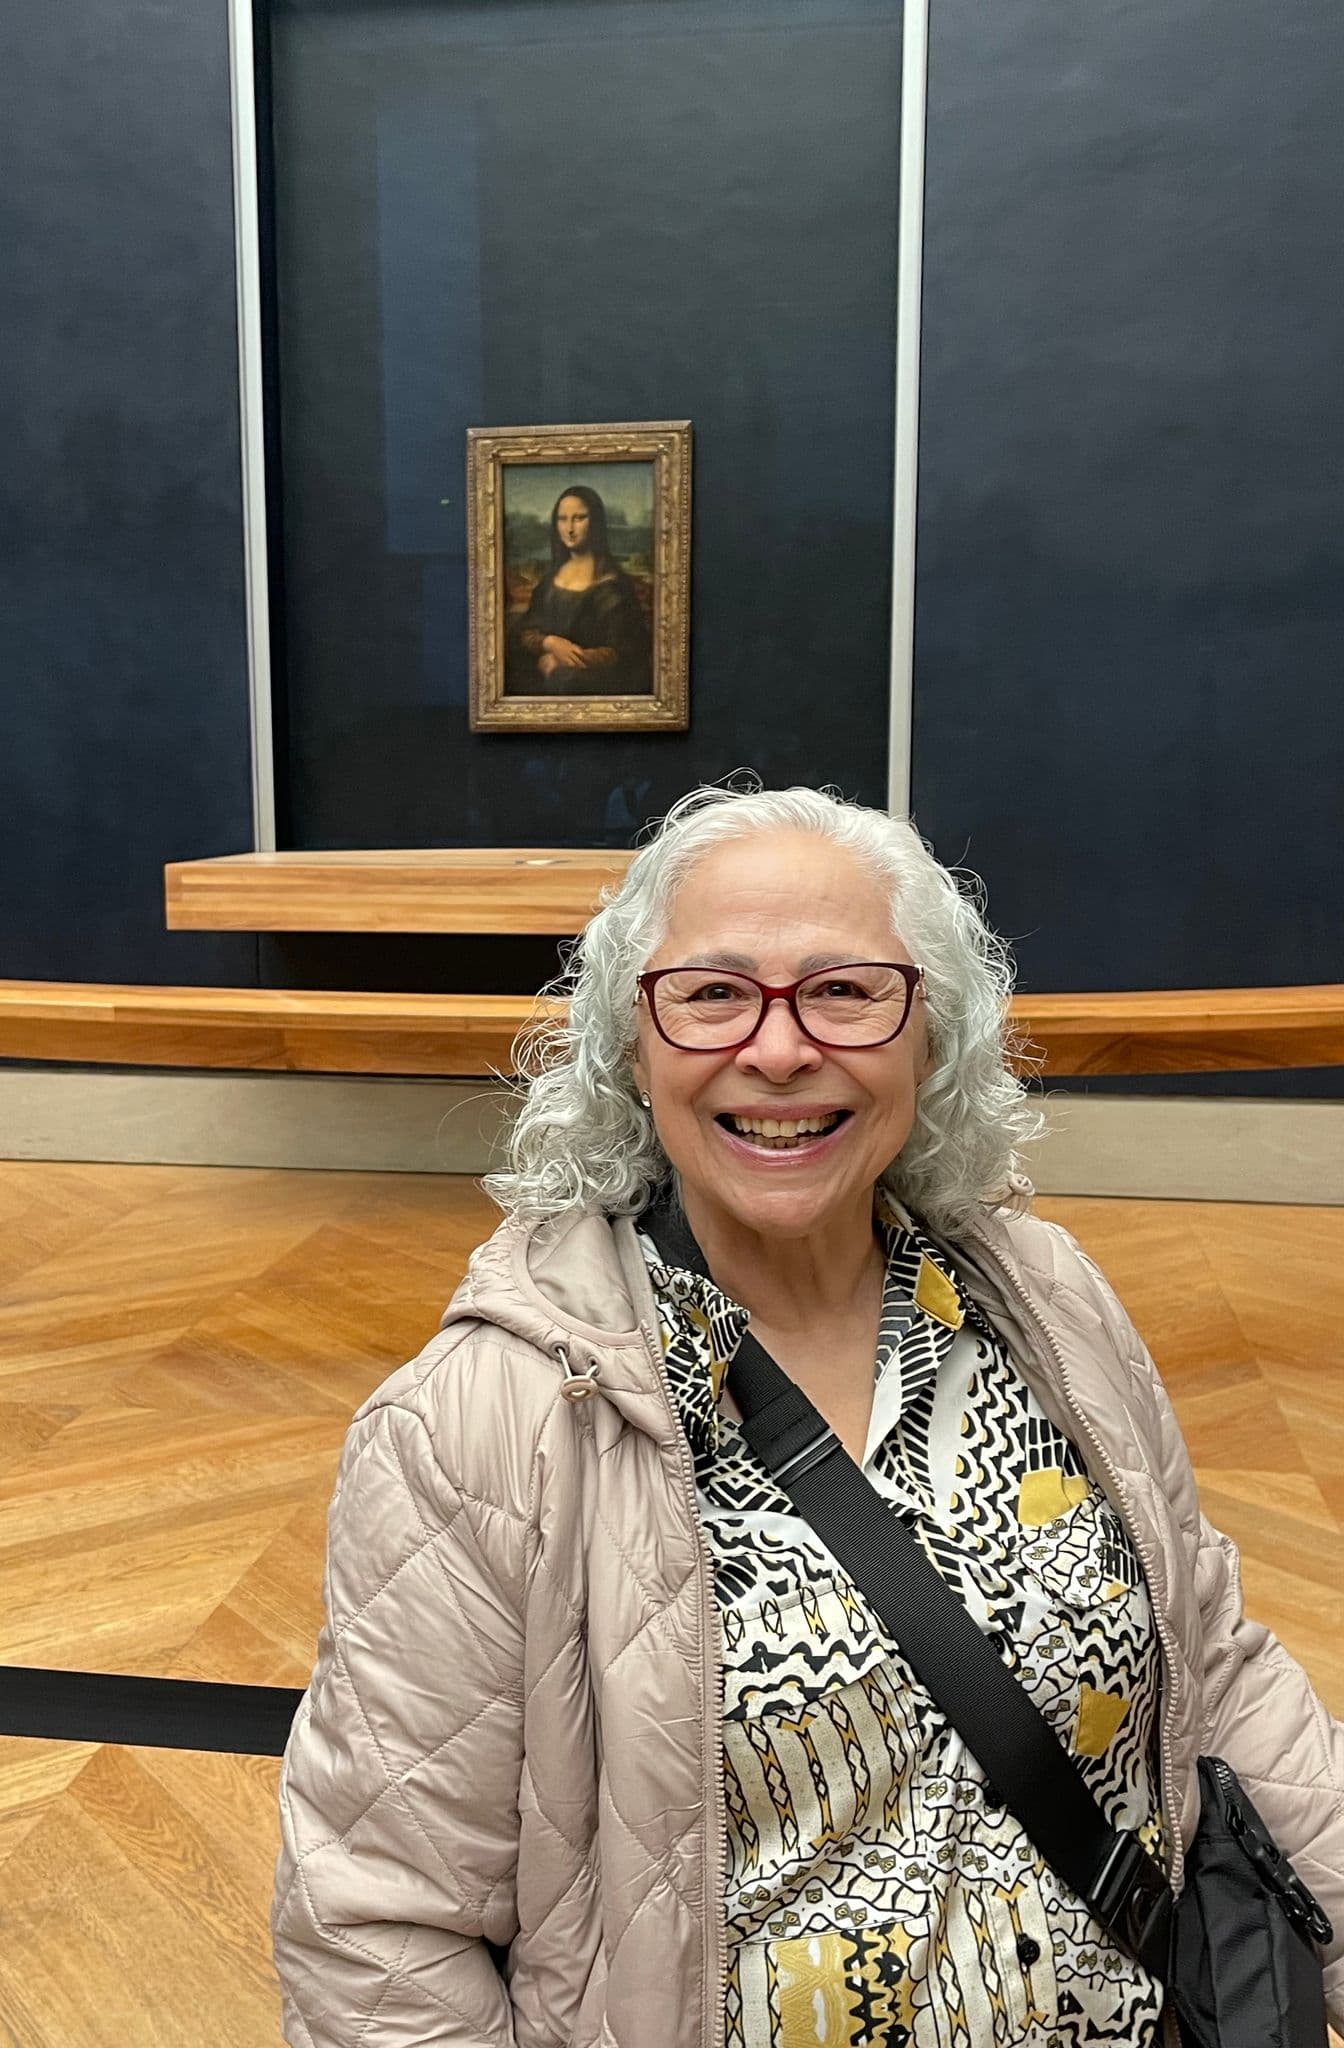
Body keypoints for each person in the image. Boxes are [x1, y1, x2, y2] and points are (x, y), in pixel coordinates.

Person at [272, 782, 1344, 2047]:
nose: (778, 1050)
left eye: (844, 989)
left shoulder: (1046, 1301)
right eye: (714, 993)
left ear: (929, 1036)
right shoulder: (481, 1425)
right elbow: (382, 1929)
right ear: (632, 1039)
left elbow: (1210, 1668)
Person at [507, 483, 651, 695]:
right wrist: (549, 642)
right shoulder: (549, 580)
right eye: (562, 519)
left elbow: (625, 652)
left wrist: (566, 661)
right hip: (544, 671)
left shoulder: (612, 586)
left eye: (579, 518)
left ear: (595, 523)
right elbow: (524, 632)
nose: (570, 528)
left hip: (595, 680)